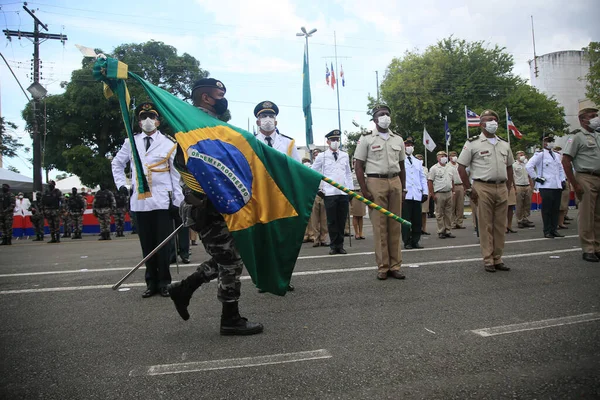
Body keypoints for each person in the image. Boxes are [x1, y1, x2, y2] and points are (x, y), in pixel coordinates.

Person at [166, 78, 263, 335]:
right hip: (206, 205)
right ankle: (229, 319)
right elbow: (185, 163)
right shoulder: (192, 126)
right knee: (230, 259)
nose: (223, 98)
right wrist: (203, 193)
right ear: (206, 98)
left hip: (221, 204)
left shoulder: (214, 126)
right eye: (220, 94)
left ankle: (184, 288)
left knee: (226, 256)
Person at [112, 102, 183, 298]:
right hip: (140, 201)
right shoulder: (130, 142)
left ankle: (165, 282)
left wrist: (178, 201)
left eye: (152, 116)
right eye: (143, 117)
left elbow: (175, 175)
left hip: (162, 202)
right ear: (139, 121)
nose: (148, 120)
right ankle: (151, 282)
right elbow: (117, 164)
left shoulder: (170, 144)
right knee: (147, 244)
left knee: (163, 244)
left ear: (158, 120)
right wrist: (122, 185)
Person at [457, 109, 514, 273]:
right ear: (481, 124)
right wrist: (469, 188)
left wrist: (508, 186)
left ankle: (498, 258)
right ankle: (488, 259)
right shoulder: (473, 143)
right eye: (489, 120)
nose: (493, 122)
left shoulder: (504, 143)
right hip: (483, 186)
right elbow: (461, 167)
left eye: (495, 119)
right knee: (485, 225)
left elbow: (509, 167)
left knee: (500, 225)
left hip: (501, 186)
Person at [354, 104, 406, 280]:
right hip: (375, 181)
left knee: (395, 226)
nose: (385, 117)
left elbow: (402, 166)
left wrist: (403, 188)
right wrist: (364, 189)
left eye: (387, 114)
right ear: (375, 119)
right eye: (381, 114)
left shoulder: (398, 139)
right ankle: (383, 267)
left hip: (395, 180)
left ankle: (395, 265)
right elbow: (358, 166)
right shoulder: (366, 139)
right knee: (380, 226)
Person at [561, 106, 600, 262]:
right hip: (585, 177)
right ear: (582, 119)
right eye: (593, 116)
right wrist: (574, 183)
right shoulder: (576, 137)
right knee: (586, 215)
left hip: (598, 176)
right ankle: (588, 248)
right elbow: (566, 161)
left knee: (598, 216)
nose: (596, 118)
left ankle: (598, 246)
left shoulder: (598, 135)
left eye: (597, 115)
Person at [311, 129, 353, 255]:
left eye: (337, 140)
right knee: (331, 220)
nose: (335, 142)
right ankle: (334, 245)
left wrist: (350, 190)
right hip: (329, 192)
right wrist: (319, 188)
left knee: (341, 219)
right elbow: (313, 172)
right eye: (333, 140)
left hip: (343, 192)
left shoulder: (345, 155)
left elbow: (348, 173)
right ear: (327, 141)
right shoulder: (321, 156)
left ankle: (340, 245)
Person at [526, 133, 566, 239]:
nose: (550, 143)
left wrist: (563, 180)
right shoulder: (540, 154)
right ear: (543, 142)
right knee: (547, 209)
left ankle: (554, 229)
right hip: (546, 185)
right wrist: (536, 178)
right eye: (547, 140)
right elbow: (529, 166)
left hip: (557, 185)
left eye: (551, 140)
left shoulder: (557, 155)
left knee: (555, 209)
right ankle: (547, 230)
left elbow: (560, 169)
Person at [402, 137, 428, 249]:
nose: (409, 147)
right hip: (406, 194)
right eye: (407, 145)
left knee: (417, 220)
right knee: (406, 220)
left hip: (416, 194)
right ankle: (407, 241)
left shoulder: (417, 162)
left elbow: (422, 178)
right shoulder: (400, 160)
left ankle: (415, 240)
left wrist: (425, 192)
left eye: (411, 145)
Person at [428, 150, 457, 239]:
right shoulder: (434, 168)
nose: (443, 157)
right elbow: (430, 181)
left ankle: (448, 230)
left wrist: (453, 191)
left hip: (448, 192)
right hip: (439, 193)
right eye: (441, 156)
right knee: (439, 213)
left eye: (444, 156)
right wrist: (432, 194)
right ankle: (441, 231)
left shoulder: (450, 168)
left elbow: (452, 180)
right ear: (437, 158)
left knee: (448, 213)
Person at [310, 149, 329, 247]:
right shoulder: (310, 167)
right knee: (314, 218)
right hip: (315, 193)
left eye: (318, 154)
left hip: (325, 193)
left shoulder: (326, 167)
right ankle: (315, 238)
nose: (316, 155)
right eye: (314, 154)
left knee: (324, 218)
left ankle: (323, 238)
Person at [513, 151, 535, 229]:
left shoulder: (527, 165)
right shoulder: (514, 165)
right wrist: (514, 188)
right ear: (517, 156)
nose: (522, 156)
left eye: (523, 154)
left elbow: (530, 176)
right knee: (519, 205)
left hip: (527, 185)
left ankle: (526, 219)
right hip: (518, 185)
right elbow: (512, 177)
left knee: (527, 204)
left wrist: (532, 187)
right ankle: (519, 220)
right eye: (520, 154)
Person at [553, 146, 570, 230]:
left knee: (563, 204)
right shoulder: (554, 158)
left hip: (565, 181)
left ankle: (561, 222)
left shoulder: (564, 158)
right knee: (556, 205)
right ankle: (555, 223)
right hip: (557, 182)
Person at [448, 151, 465, 229]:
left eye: (455, 155)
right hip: (452, 186)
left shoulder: (459, 165)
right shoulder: (448, 166)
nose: (454, 157)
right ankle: (453, 223)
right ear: (449, 157)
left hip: (460, 185)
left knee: (460, 206)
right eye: (452, 155)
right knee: (452, 206)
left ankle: (459, 222)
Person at [415, 154, 431, 236]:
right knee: (415, 212)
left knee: (424, 212)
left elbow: (427, 180)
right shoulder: (413, 167)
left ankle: (423, 228)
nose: (420, 160)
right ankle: (415, 229)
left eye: (421, 159)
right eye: (418, 158)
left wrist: (429, 192)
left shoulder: (425, 169)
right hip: (416, 191)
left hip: (424, 191)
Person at [350, 160, 366, 240]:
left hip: (362, 193)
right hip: (354, 193)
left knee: (361, 215)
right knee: (355, 215)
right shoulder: (351, 174)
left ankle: (361, 232)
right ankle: (356, 233)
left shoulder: (363, 173)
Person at [302, 157, 315, 243]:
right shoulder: (300, 171)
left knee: (312, 217)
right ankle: (306, 234)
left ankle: (311, 234)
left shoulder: (312, 171)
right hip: (303, 195)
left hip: (310, 194)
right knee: (305, 216)